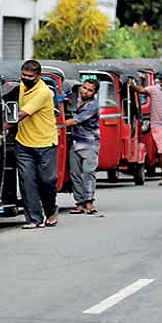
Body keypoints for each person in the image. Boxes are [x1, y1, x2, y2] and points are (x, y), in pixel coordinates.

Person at [13, 60, 59, 229]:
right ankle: (33, 218)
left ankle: (51, 210)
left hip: (45, 142)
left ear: (38, 76)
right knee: (27, 181)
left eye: (30, 76)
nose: (26, 78)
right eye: (23, 75)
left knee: (46, 181)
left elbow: (21, 114)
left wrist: (3, 123)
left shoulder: (43, 92)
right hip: (23, 142)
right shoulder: (20, 87)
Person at [64, 79, 101, 215]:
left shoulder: (92, 106)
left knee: (88, 173)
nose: (85, 91)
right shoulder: (74, 101)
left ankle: (89, 202)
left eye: (89, 90)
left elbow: (75, 120)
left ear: (94, 93)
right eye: (84, 88)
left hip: (89, 144)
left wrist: (55, 124)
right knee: (75, 175)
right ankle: (79, 203)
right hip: (74, 142)